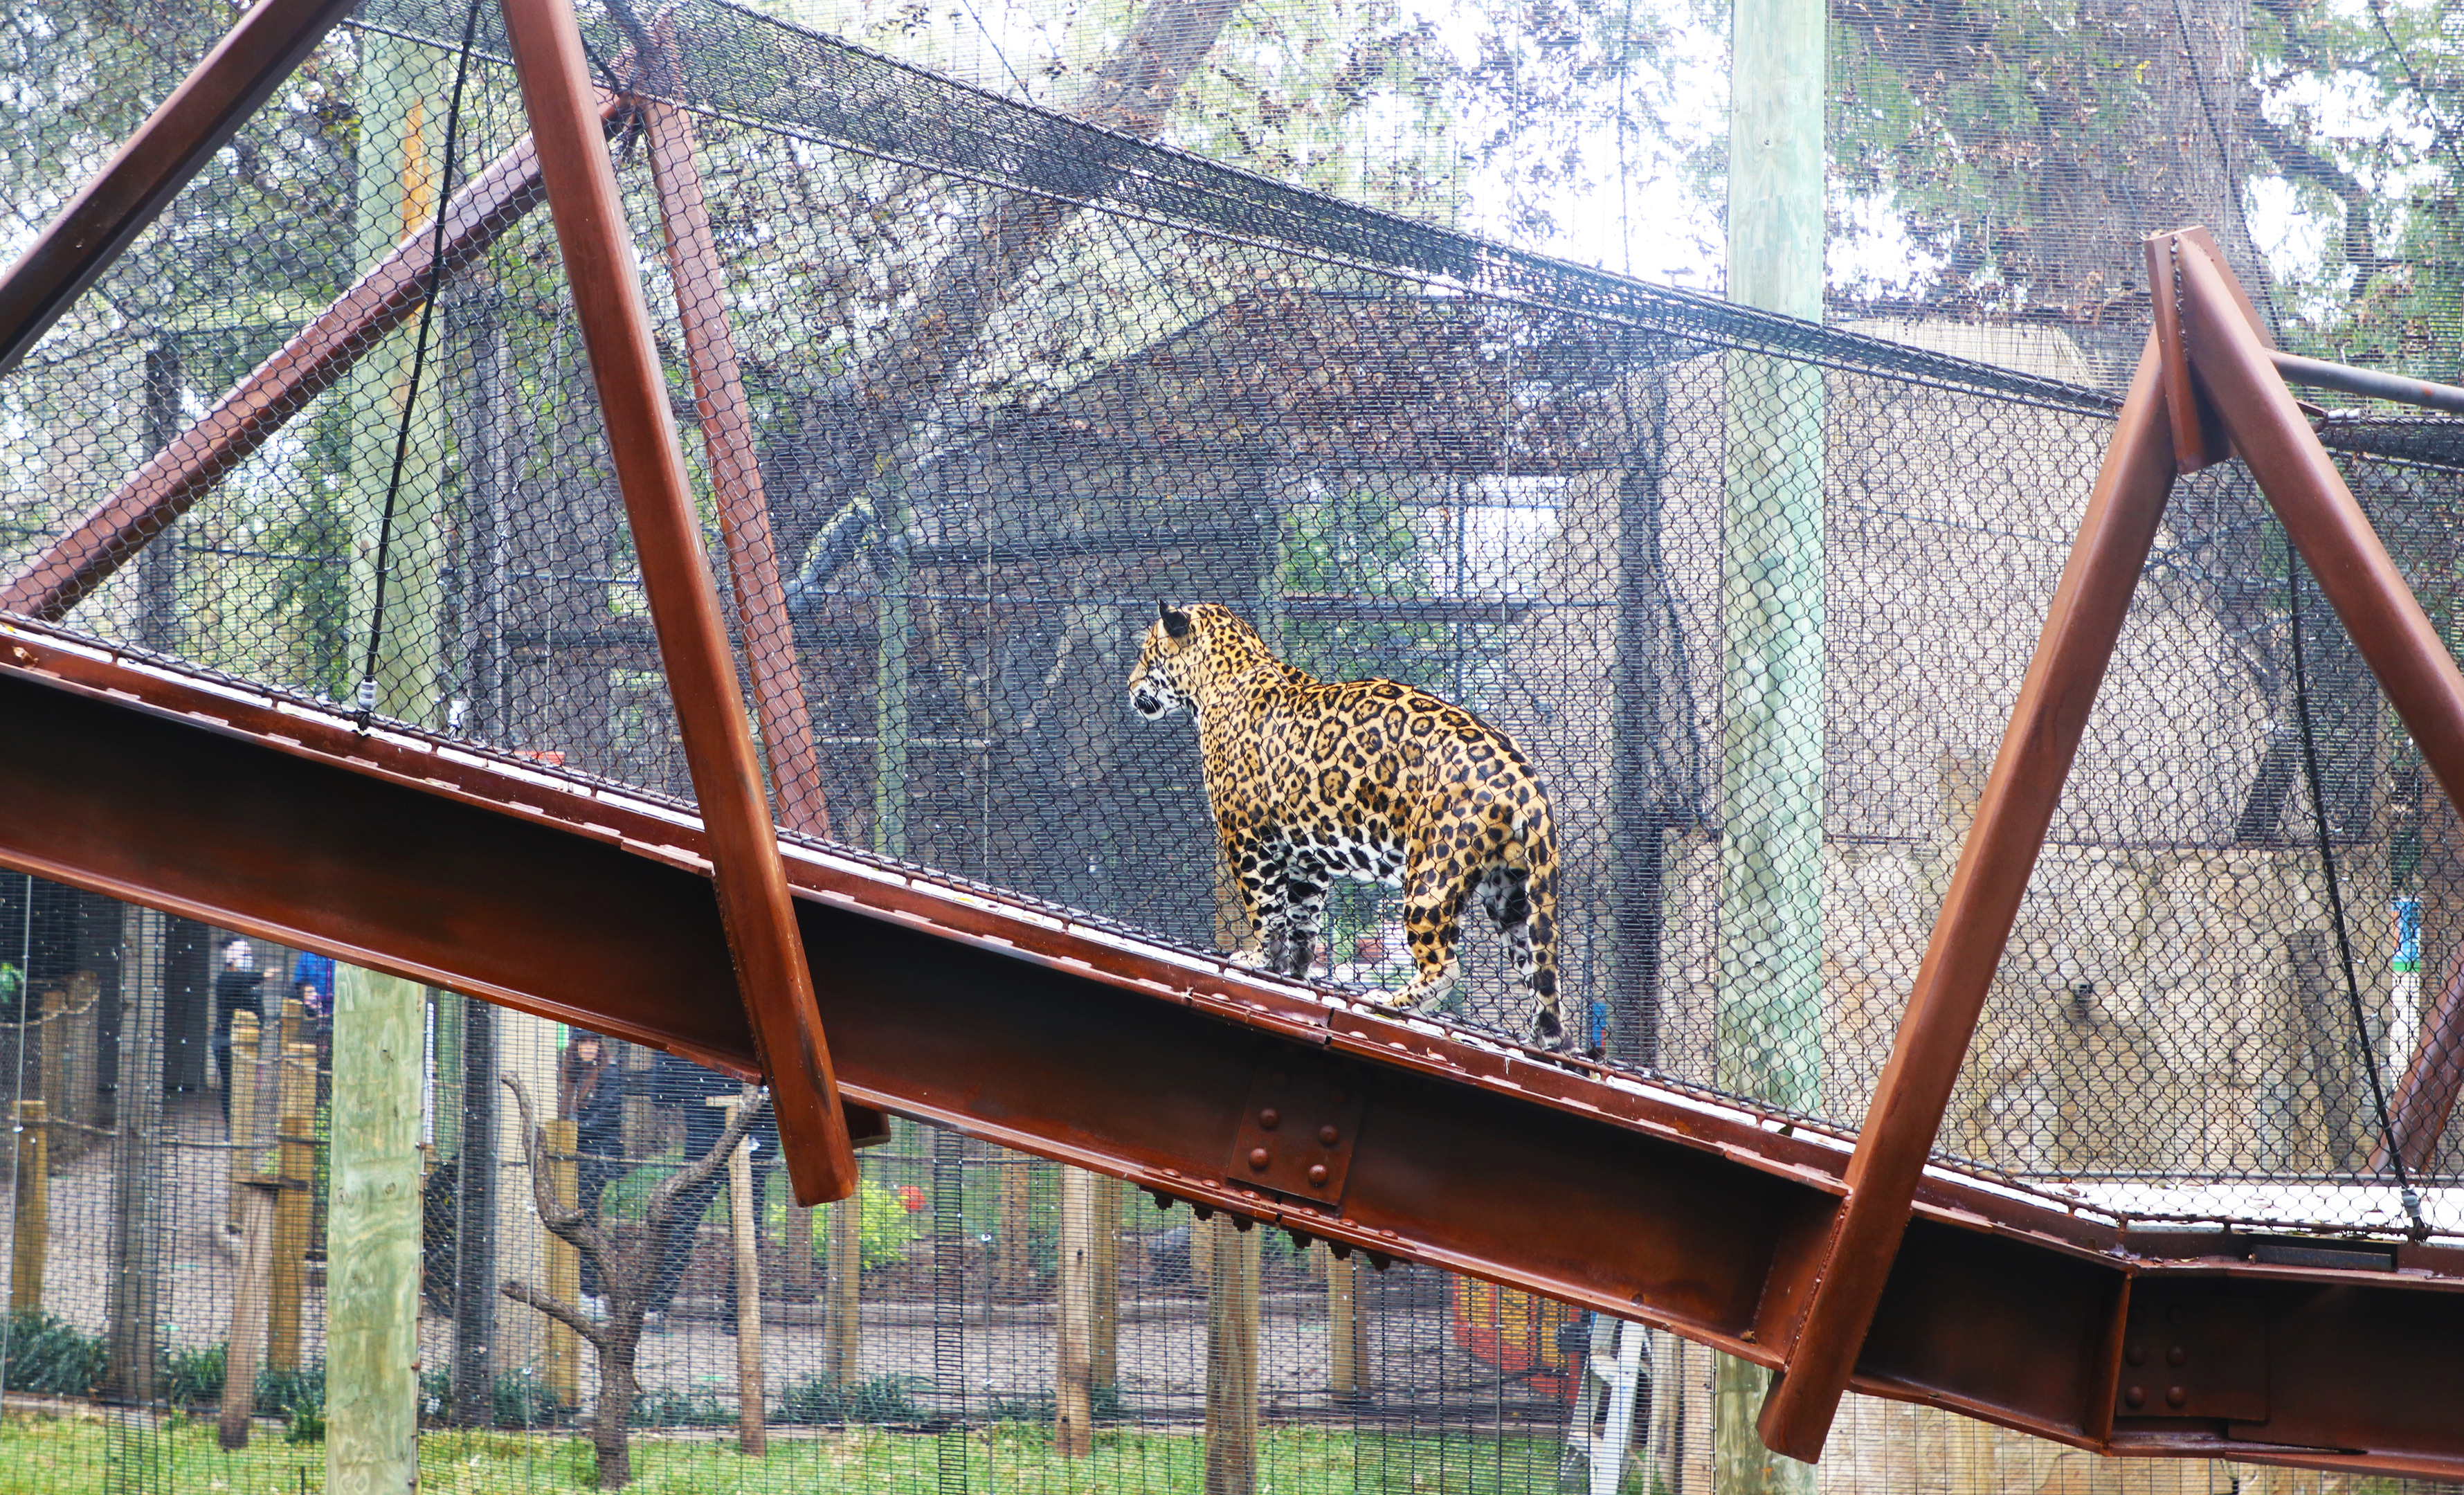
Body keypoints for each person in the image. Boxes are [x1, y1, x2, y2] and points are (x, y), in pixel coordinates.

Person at [640, 1050, 774, 1333]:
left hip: (751, 1144)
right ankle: (657, 1306)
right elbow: (662, 1094)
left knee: (746, 1228)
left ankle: (738, 1314)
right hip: (707, 1145)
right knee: (684, 1222)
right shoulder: (692, 1044)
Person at [559, 1031, 628, 1308]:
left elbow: (608, 1117)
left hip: (596, 1159)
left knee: (585, 1222)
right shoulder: (572, 1075)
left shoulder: (609, 1074)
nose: (588, 1047)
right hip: (575, 1158)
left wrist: (572, 1133)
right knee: (573, 1219)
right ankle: (576, 1288)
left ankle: (587, 1292)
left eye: (593, 1042)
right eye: (583, 1042)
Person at [212, 939, 265, 1125]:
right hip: (226, 1040)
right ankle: (231, 1128)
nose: (249, 959)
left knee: (246, 1087)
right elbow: (239, 981)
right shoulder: (227, 979)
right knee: (231, 1085)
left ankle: (243, 1127)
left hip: (249, 1041)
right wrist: (264, 975)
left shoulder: (248, 983)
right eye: (245, 956)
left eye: (250, 956)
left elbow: (259, 1010)